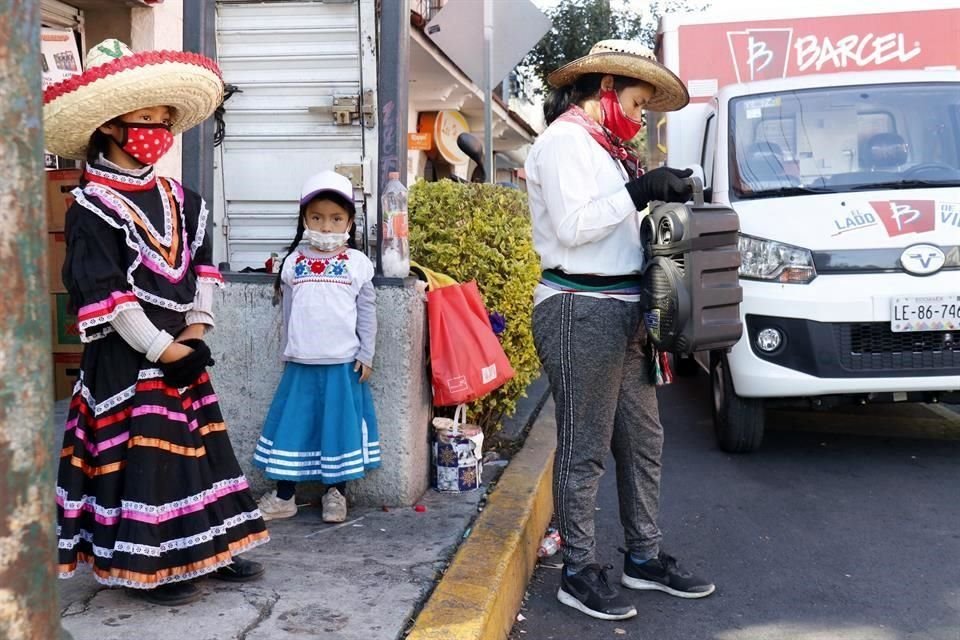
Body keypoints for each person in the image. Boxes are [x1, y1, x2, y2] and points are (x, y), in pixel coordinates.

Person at [45, 39, 269, 606]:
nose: (160, 130)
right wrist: (163, 350)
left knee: (196, 451)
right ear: (111, 127)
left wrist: (195, 333)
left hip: (182, 349)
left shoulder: (182, 199)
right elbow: (107, 293)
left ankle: (209, 549)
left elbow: (204, 269)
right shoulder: (90, 206)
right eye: (148, 120)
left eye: (165, 120)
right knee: (146, 460)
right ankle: (150, 569)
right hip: (128, 358)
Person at [524, 39, 716, 621]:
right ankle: (578, 570)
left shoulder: (607, 149)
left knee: (643, 441)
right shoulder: (563, 142)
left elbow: (619, 226)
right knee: (585, 448)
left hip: (624, 310)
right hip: (578, 306)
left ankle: (644, 556)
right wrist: (639, 190)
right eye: (636, 104)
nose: (639, 118)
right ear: (606, 88)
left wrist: (657, 196)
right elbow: (575, 226)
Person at [253, 171, 380, 524]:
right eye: (317, 218)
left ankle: (336, 494)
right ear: (305, 220)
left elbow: (367, 312)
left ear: (351, 222)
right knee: (292, 427)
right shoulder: (293, 263)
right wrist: (287, 351)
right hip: (301, 363)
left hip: (343, 366)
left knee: (337, 429)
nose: (326, 227)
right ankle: (283, 496)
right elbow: (289, 312)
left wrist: (366, 353)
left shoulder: (357, 264)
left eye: (336, 218)